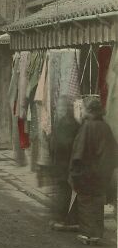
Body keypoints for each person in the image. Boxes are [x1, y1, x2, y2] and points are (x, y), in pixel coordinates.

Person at [69, 97, 117, 245]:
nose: (81, 111)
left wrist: (75, 171)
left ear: (88, 111)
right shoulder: (105, 126)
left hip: (87, 172)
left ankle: (87, 234)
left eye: (82, 108)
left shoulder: (87, 127)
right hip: (103, 173)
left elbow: (79, 151)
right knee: (97, 202)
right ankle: (96, 233)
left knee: (85, 202)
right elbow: (113, 151)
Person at [49, 96, 80, 232]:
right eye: (58, 107)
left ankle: (61, 219)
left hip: (64, 164)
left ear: (67, 108)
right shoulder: (68, 123)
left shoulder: (67, 124)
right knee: (63, 191)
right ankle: (62, 218)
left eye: (61, 107)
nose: (58, 110)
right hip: (62, 164)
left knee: (64, 192)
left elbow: (64, 145)